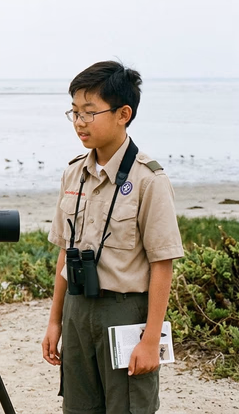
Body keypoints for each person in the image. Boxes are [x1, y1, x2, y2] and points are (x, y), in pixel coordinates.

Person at [41, 60, 184, 413]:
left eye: (89, 112)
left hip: (125, 312)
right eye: (74, 111)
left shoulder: (150, 180)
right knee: (78, 407)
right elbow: (64, 253)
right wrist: (55, 320)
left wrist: (151, 340)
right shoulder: (74, 174)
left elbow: (162, 264)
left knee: (128, 407)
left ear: (123, 113)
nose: (79, 122)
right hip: (77, 307)